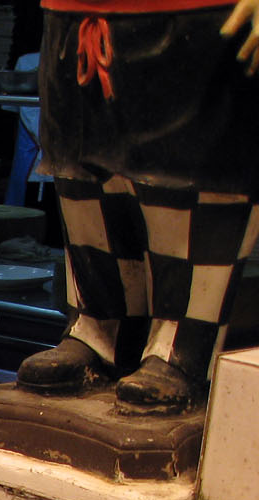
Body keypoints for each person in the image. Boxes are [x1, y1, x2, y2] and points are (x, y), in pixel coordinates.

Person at [15, 0, 259, 412]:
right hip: (75, 17)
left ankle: (179, 347)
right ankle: (97, 327)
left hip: (197, 17)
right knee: (81, 172)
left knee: (184, 178)